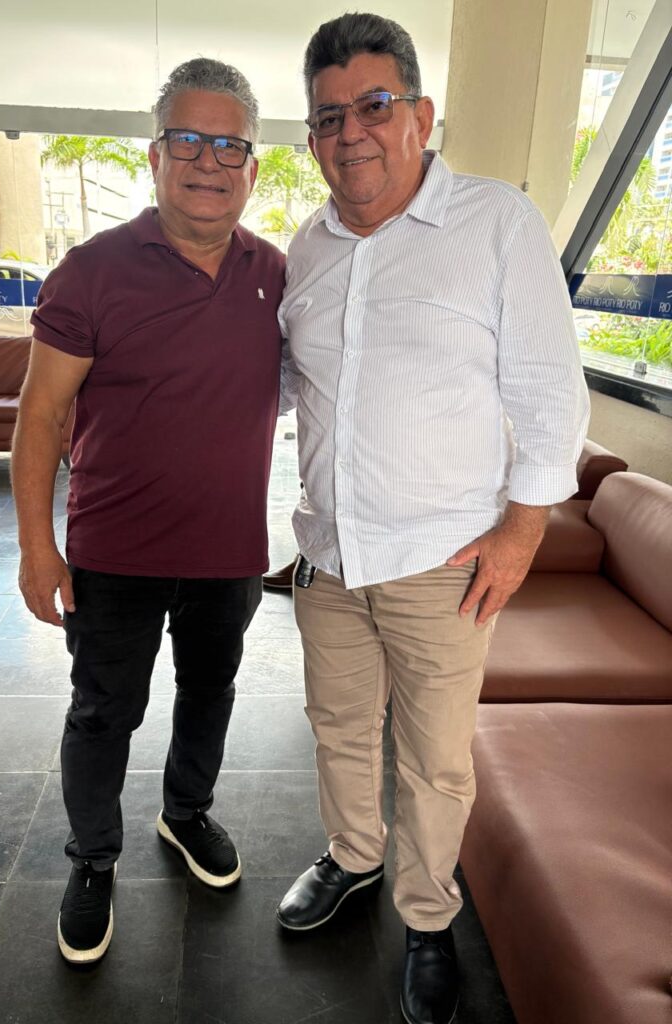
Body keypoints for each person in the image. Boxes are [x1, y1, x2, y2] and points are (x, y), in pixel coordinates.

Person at [275, 14, 590, 1024]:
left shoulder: (496, 223)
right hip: (330, 556)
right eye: (329, 116)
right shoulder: (308, 246)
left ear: (421, 114)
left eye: (373, 105)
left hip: (441, 560)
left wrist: (522, 532)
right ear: (312, 137)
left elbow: (550, 391)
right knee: (338, 728)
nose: (351, 132)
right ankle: (353, 857)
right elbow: (287, 388)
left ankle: (425, 914)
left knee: (435, 759)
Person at [11, 58, 285, 965]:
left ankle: (186, 812)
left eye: (229, 146)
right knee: (103, 713)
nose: (209, 161)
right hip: (114, 552)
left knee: (210, 692)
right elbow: (40, 415)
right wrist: (37, 549)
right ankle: (93, 858)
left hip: (229, 552)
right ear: (156, 154)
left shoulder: (278, 275)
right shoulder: (91, 272)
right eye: (189, 140)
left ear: (252, 165)